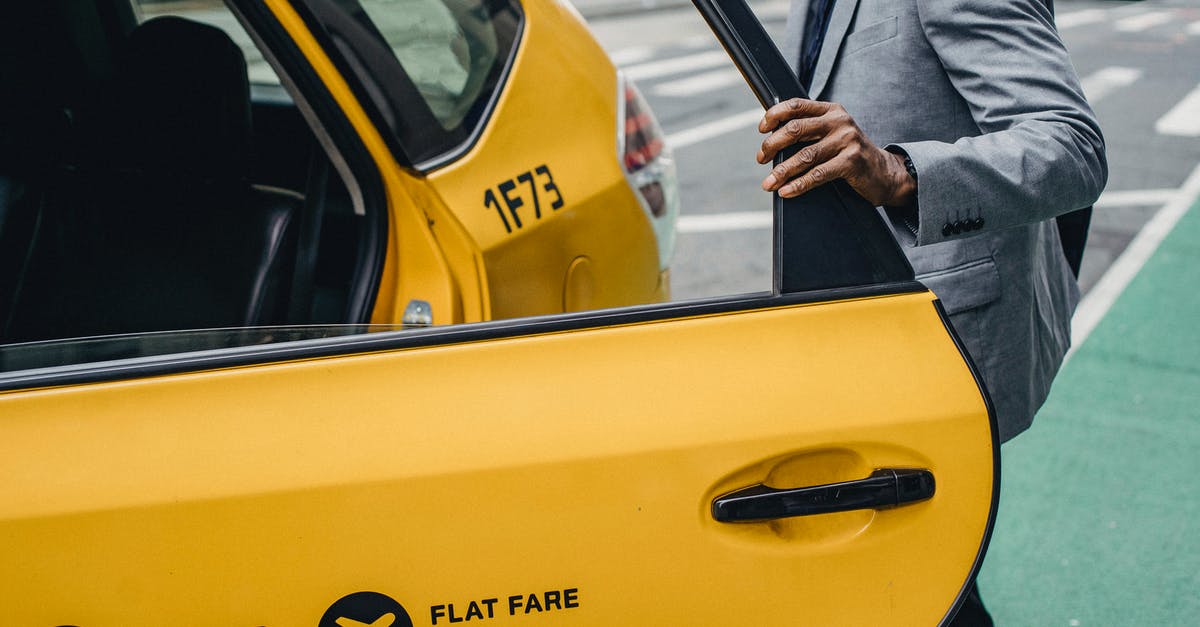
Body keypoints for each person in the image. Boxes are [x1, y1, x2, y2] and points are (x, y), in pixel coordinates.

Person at [758, 0, 1106, 623]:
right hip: (853, 331)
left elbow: (1070, 145)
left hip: (941, 334)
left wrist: (900, 172)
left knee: (912, 588)